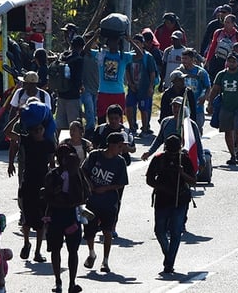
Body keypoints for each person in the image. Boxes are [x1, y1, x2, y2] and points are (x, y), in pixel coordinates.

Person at [4, 101, 56, 265]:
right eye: (35, 130)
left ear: (43, 129)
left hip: (42, 185)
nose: (38, 132)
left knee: (41, 221)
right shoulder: (26, 140)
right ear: (31, 130)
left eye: (40, 129)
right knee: (27, 218)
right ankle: (26, 242)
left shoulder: (48, 143)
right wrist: (17, 118)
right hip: (27, 183)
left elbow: (52, 163)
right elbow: (7, 132)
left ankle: (38, 251)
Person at [145, 135, 196, 275]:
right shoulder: (159, 159)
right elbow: (149, 179)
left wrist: (182, 173)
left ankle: (169, 263)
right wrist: (162, 187)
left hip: (180, 200)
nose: (173, 154)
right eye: (170, 151)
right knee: (159, 231)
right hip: (162, 200)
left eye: (175, 151)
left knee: (175, 231)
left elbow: (193, 181)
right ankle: (168, 254)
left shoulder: (184, 159)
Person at [43, 144, 90, 293]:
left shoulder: (78, 173)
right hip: (57, 215)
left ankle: (71, 283)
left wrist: (74, 175)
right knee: (56, 250)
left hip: (71, 215)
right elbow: (47, 196)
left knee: (72, 250)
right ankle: (59, 282)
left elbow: (85, 194)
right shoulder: (53, 175)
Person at [82, 132, 129, 274]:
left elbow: (121, 183)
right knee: (89, 231)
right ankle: (91, 253)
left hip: (109, 202)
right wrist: (90, 184)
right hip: (92, 201)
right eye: (119, 146)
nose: (121, 150)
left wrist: (105, 188)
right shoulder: (95, 155)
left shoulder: (120, 162)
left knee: (107, 231)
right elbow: (83, 171)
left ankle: (105, 261)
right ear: (112, 145)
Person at [206, 53, 238, 166]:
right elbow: (215, 90)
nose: (231, 63)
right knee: (227, 131)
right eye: (229, 61)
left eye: (233, 61)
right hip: (225, 107)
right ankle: (232, 155)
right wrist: (210, 104)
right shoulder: (221, 75)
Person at [91, 31, 145, 124]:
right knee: (101, 119)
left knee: (118, 121)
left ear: (119, 43)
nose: (113, 44)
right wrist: (95, 37)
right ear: (107, 43)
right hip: (103, 92)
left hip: (118, 93)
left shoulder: (123, 56)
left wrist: (130, 40)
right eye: (111, 41)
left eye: (115, 42)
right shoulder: (102, 54)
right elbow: (85, 50)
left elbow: (140, 55)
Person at [125, 34, 157, 136]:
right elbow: (127, 70)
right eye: (134, 43)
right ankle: (132, 127)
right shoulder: (130, 56)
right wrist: (130, 83)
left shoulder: (148, 57)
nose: (135, 45)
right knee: (129, 106)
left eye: (137, 43)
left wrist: (151, 87)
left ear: (143, 44)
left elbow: (152, 73)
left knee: (144, 109)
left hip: (144, 87)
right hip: (133, 87)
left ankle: (145, 128)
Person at [55, 35, 85, 130]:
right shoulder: (78, 59)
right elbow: (78, 78)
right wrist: (80, 88)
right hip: (73, 97)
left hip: (60, 95)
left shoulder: (63, 56)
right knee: (74, 126)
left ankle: (60, 143)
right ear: (81, 47)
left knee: (60, 125)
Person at [204, 14, 238, 81]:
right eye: (225, 22)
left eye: (228, 22)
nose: (226, 24)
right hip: (217, 60)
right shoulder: (218, 32)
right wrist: (207, 60)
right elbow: (212, 47)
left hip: (231, 62)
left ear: (233, 24)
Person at [176, 49, 211, 129]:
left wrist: (205, 97)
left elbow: (208, 87)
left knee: (197, 130)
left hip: (197, 107)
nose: (183, 61)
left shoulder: (201, 72)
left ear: (192, 60)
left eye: (186, 58)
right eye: (182, 58)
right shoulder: (179, 71)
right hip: (183, 107)